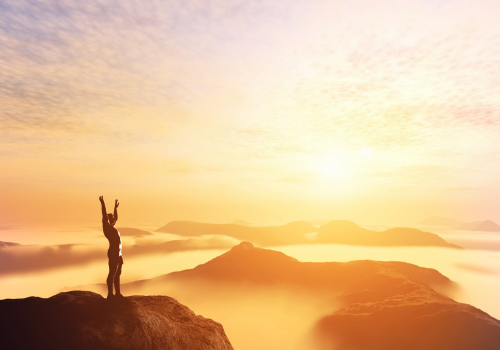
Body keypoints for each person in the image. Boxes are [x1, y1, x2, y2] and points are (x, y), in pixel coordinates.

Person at [99, 196, 123, 299]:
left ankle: (117, 293)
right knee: (112, 273)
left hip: (118, 253)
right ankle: (110, 294)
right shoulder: (107, 228)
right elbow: (104, 215)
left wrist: (115, 208)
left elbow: (116, 218)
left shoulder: (112, 227)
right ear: (108, 220)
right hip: (113, 253)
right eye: (111, 217)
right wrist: (102, 203)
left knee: (117, 273)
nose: (114, 219)